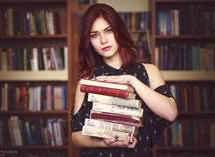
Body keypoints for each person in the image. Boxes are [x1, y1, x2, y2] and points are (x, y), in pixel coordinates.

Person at [71, 3, 178, 157]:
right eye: (94, 35)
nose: (103, 40)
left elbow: (171, 113)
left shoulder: (149, 71)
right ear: (89, 41)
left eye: (108, 31)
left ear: (119, 30)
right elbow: (76, 135)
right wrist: (103, 142)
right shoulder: (87, 80)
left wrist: (131, 80)